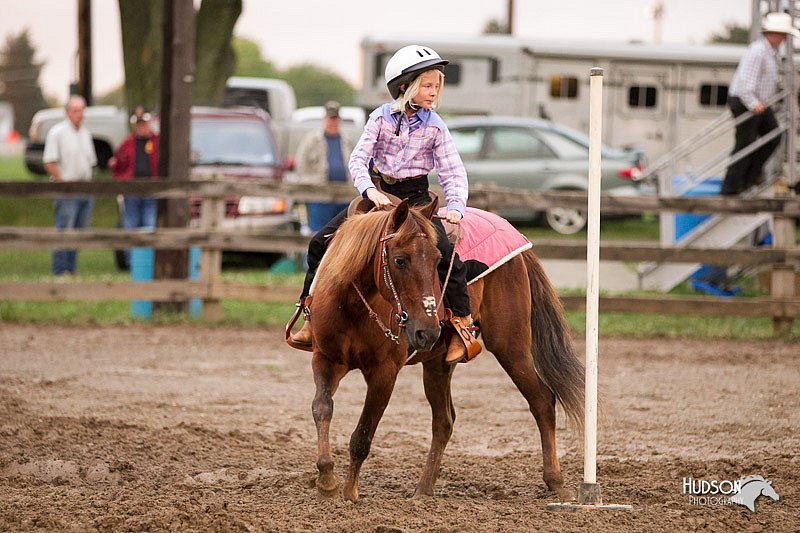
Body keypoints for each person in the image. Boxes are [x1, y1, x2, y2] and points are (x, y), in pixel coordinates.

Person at [290, 45, 482, 365]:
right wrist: (369, 190)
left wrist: (456, 207)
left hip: (417, 200)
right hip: (377, 195)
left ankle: (462, 323)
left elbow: (452, 171)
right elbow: (359, 159)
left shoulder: (436, 125)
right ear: (405, 87)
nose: (434, 92)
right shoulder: (379, 118)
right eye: (428, 85)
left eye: (437, 86)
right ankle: (309, 313)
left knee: (446, 254)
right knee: (319, 242)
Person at [722, 12, 800, 196]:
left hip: (758, 103)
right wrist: (753, 103)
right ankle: (731, 187)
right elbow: (746, 84)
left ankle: (749, 178)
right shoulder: (758, 51)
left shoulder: (768, 52)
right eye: (783, 34)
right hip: (747, 102)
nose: (784, 39)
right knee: (745, 144)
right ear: (775, 33)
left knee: (771, 137)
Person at [43, 95, 97, 276]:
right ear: (67, 112)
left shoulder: (86, 133)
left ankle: (71, 268)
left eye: (81, 110)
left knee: (79, 231)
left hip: (85, 188)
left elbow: (91, 162)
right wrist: (61, 180)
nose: (79, 114)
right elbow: (49, 161)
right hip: (67, 190)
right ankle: (60, 270)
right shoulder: (57, 132)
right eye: (75, 110)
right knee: (65, 229)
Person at [109, 105, 160, 267]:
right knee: (130, 227)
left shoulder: (157, 143)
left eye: (144, 123)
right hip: (131, 193)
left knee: (149, 225)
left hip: (151, 192)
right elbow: (116, 166)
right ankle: (133, 264)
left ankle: (148, 264)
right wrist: (121, 185)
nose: (141, 127)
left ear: (150, 123)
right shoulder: (127, 144)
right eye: (138, 124)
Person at [295, 101, 354, 232]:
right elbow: (301, 166)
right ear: (324, 120)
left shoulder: (347, 140)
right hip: (320, 196)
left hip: (343, 195)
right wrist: (307, 188)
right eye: (330, 119)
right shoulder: (312, 140)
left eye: (335, 119)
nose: (332, 122)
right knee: (317, 233)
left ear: (339, 120)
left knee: (341, 233)